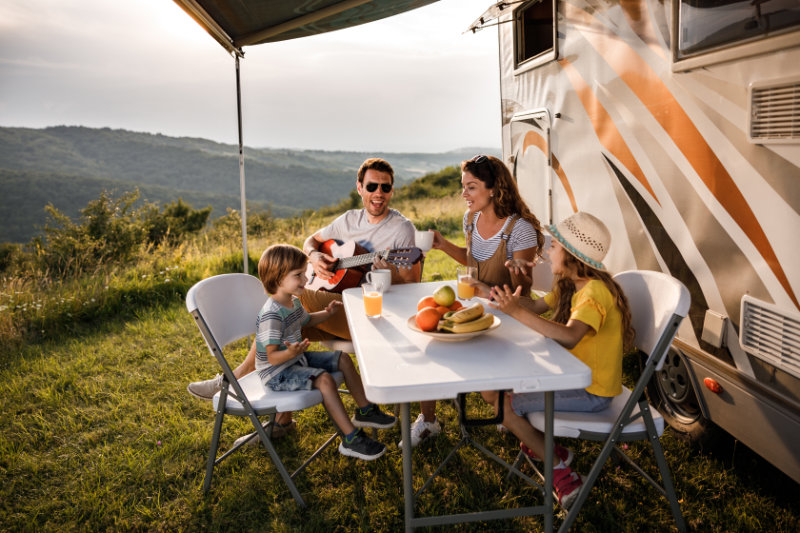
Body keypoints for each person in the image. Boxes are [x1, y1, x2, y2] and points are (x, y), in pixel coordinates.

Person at [187, 158, 419, 440]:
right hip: (335, 309)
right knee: (287, 327)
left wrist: (391, 272)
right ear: (360, 187)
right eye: (372, 186)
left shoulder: (401, 229)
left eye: (386, 187)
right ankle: (280, 422)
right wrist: (314, 255)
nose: (379, 193)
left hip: (374, 316)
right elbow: (312, 240)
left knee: (287, 304)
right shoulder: (348, 220)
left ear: (392, 190)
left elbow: (412, 284)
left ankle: (227, 381)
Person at [480, 211, 635, 509]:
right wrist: (493, 294)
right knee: (493, 391)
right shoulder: (572, 285)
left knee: (503, 403)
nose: (548, 250)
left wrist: (514, 312)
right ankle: (550, 449)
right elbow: (536, 306)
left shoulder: (594, 293)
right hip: (571, 376)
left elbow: (569, 336)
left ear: (572, 255)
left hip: (592, 391)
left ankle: (561, 472)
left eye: (554, 246)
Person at [401, 154, 545, 448]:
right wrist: (443, 246)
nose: (464, 195)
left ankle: (512, 409)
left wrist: (515, 276)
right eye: (463, 187)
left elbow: (522, 291)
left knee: (449, 351)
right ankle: (428, 420)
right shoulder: (471, 219)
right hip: (476, 307)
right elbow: (472, 260)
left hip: (510, 317)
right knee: (428, 341)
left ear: (494, 189)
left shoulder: (519, 229)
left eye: (471, 187)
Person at [253, 244, 396, 459]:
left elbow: (308, 320)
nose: (304, 280)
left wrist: (327, 313)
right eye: (298, 275)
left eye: (304, 274)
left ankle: (365, 410)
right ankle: (350, 438)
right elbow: (272, 358)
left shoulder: (292, 301)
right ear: (277, 278)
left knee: (343, 359)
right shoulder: (271, 315)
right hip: (277, 373)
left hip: (295, 360)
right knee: (325, 380)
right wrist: (290, 354)